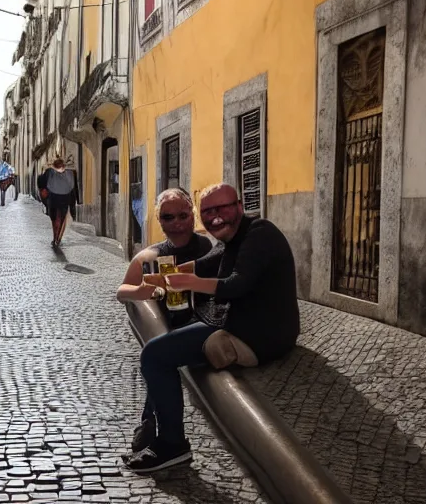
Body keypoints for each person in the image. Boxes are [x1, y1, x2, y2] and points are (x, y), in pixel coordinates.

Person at [124, 183, 300, 473]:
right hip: (241, 323)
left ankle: (172, 444)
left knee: (154, 356)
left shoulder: (260, 234)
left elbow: (237, 285)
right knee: (168, 345)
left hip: (258, 333)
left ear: (240, 207)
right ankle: (151, 425)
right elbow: (202, 266)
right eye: (208, 211)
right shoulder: (234, 239)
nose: (215, 216)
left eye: (223, 208)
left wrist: (188, 283)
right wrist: (151, 283)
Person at [117, 188, 212, 455]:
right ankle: (152, 422)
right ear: (159, 220)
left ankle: (150, 421)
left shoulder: (208, 247)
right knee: (158, 353)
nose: (177, 223)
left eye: (184, 215)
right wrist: (141, 292)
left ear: (193, 215)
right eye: (168, 217)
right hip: (169, 325)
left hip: (203, 322)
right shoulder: (151, 255)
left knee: (159, 356)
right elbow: (121, 291)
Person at [37, 158, 80, 247]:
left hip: (54, 199)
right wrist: (75, 202)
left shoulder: (50, 172)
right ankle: (57, 238)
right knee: (61, 219)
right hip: (63, 198)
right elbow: (74, 188)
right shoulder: (70, 173)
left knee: (56, 219)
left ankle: (56, 237)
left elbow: (41, 182)